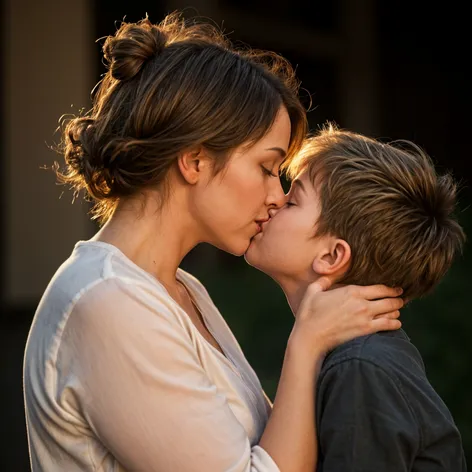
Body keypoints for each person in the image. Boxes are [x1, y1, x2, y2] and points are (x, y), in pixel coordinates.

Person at [22, 14, 403, 472]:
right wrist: (306, 344)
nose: (277, 195)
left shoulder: (181, 289)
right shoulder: (107, 302)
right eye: (266, 168)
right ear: (195, 159)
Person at [245, 123, 467, 471]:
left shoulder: (361, 369)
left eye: (294, 200)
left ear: (332, 257)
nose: (274, 201)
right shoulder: (353, 359)